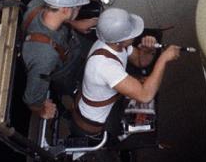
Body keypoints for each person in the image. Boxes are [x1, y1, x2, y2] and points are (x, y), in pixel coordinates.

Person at [71, 8, 181, 138]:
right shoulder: (105, 66)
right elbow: (145, 95)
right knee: (144, 128)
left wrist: (148, 50)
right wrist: (163, 59)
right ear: (119, 41)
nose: (135, 35)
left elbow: (141, 62)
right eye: (131, 34)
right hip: (95, 123)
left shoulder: (113, 43)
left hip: (104, 105)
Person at [21, 0, 99, 119]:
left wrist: (76, 24)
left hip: (71, 46)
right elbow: (32, 98)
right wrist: (42, 110)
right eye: (77, 7)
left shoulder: (37, 3)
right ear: (65, 9)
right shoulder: (45, 57)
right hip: (67, 73)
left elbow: (56, 17)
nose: (79, 9)